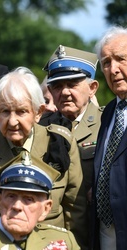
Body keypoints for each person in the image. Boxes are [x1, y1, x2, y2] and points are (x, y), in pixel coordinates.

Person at [0, 66, 87, 248]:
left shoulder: (61, 144)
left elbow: (75, 211)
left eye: (21, 112)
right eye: (5, 111)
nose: (12, 122)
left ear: (39, 112)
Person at [0, 151, 80, 250]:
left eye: (29, 199)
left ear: (46, 209)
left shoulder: (64, 241)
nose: (17, 206)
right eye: (11, 196)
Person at [41, 45, 102, 250]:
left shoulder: (108, 124)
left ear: (92, 87)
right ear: (49, 90)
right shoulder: (40, 128)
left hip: (98, 230)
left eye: (72, 84)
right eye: (57, 86)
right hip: (51, 232)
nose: (64, 92)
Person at [91, 26, 127, 250]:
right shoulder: (109, 112)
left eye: (120, 59)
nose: (113, 69)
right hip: (106, 230)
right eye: (106, 62)